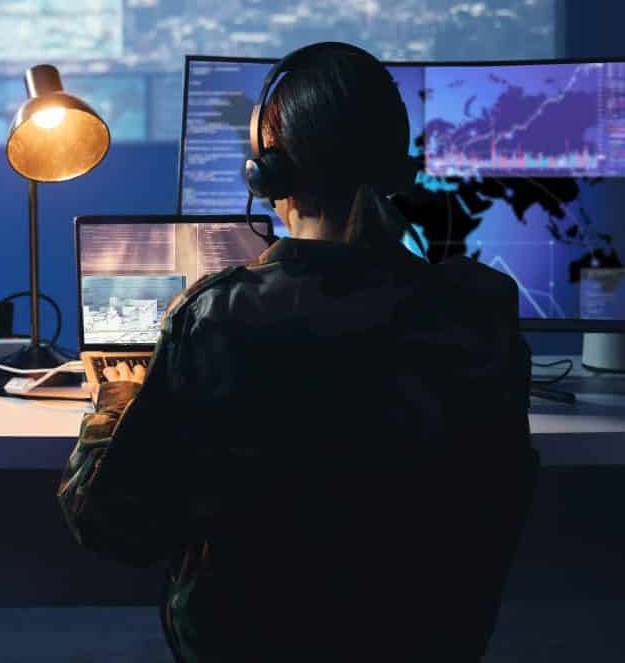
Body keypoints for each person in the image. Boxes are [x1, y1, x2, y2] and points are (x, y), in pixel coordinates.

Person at [58, 42, 537, 662]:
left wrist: (117, 399)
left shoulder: (219, 317)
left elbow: (110, 522)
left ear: (270, 176)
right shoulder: (479, 311)